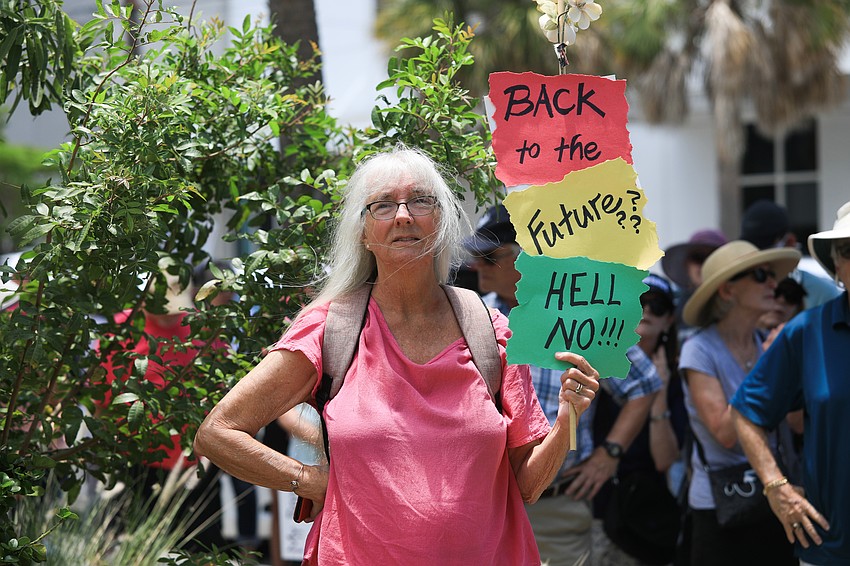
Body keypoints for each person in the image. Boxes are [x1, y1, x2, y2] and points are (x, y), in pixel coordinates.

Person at [193, 146, 601, 565]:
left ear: (441, 220)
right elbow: (218, 432)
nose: (403, 215)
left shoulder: (490, 330)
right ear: (363, 232)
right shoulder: (331, 327)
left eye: (420, 200)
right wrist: (309, 480)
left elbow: (526, 486)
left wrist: (568, 417)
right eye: (383, 205)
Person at [464, 205, 660, 566]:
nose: (478, 266)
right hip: (481, 505)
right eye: (477, 257)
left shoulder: (581, 314)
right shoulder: (470, 316)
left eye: (490, 257)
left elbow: (644, 384)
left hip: (555, 506)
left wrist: (609, 455)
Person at [731, 199, 850, 566]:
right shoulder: (807, 331)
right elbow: (746, 412)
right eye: (848, 250)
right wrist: (775, 486)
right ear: (837, 266)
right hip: (831, 548)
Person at [678, 240, 801, 566]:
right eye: (761, 275)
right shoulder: (698, 350)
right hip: (722, 510)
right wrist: (770, 365)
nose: (774, 284)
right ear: (727, 291)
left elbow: (796, 424)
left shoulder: (767, 342)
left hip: (776, 498)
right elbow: (725, 432)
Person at [592, 274, 687, 566]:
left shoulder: (677, 377)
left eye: (657, 305)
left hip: (644, 513)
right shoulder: (599, 360)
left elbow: (664, 459)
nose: (646, 310)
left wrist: (654, 391)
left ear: (669, 319)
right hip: (597, 505)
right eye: (638, 301)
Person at [740, 199, 841, 309]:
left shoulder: (823, 295)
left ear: (790, 242)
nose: (759, 258)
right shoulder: (742, 288)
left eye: (766, 250)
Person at [661, 228, 728, 342]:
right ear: (687, 265)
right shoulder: (670, 307)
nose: (705, 264)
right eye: (698, 258)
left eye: (713, 258)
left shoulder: (740, 306)